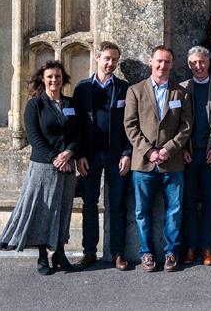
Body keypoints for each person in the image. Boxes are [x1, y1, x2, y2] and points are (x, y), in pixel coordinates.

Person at [0, 60, 79, 274]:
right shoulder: (35, 105)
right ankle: (43, 256)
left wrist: (69, 153)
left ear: (63, 79)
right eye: (50, 76)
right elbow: (34, 137)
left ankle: (59, 252)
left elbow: (78, 134)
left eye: (58, 76)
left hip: (68, 166)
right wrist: (55, 158)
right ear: (43, 79)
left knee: (63, 210)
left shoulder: (70, 104)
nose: (54, 80)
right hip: (43, 167)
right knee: (43, 211)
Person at [124, 46, 192, 273]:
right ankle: (146, 253)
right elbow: (130, 126)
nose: (162, 65)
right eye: (159, 61)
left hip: (172, 162)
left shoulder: (180, 92)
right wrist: (149, 151)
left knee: (174, 210)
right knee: (142, 211)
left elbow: (186, 125)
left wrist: (168, 149)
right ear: (151, 62)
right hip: (144, 163)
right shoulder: (135, 91)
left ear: (172, 64)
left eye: (167, 62)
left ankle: (171, 253)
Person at [73, 41, 132, 271]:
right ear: (97, 57)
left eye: (115, 59)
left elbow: (131, 124)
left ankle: (118, 253)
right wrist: (79, 155)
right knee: (89, 204)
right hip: (90, 156)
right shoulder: (82, 88)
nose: (111, 63)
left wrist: (127, 153)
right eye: (107, 58)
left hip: (116, 156)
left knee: (117, 205)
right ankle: (89, 252)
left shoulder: (125, 89)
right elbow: (77, 125)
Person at [180, 46, 211, 266]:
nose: (198, 66)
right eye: (194, 63)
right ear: (189, 65)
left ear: (208, 63)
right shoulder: (181, 88)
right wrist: (181, 148)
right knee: (188, 202)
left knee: (210, 201)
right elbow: (175, 123)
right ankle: (190, 247)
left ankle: (207, 247)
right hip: (188, 154)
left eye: (202, 62)